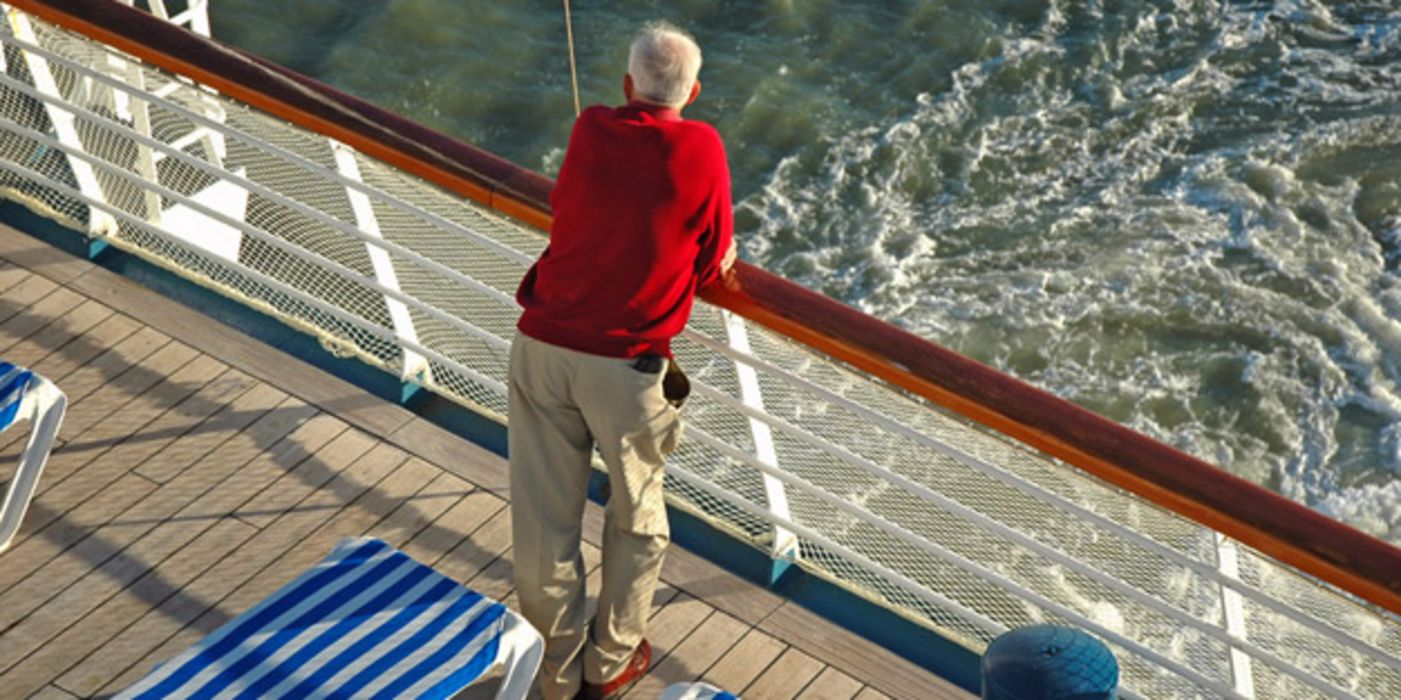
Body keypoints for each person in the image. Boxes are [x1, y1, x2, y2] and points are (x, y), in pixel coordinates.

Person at [508, 20, 736, 700]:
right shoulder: (701, 146)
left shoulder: (588, 129)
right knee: (636, 516)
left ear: (627, 84)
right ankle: (609, 665)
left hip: (543, 345)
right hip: (627, 364)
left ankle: (553, 674)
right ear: (693, 90)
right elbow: (712, 254)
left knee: (544, 520)